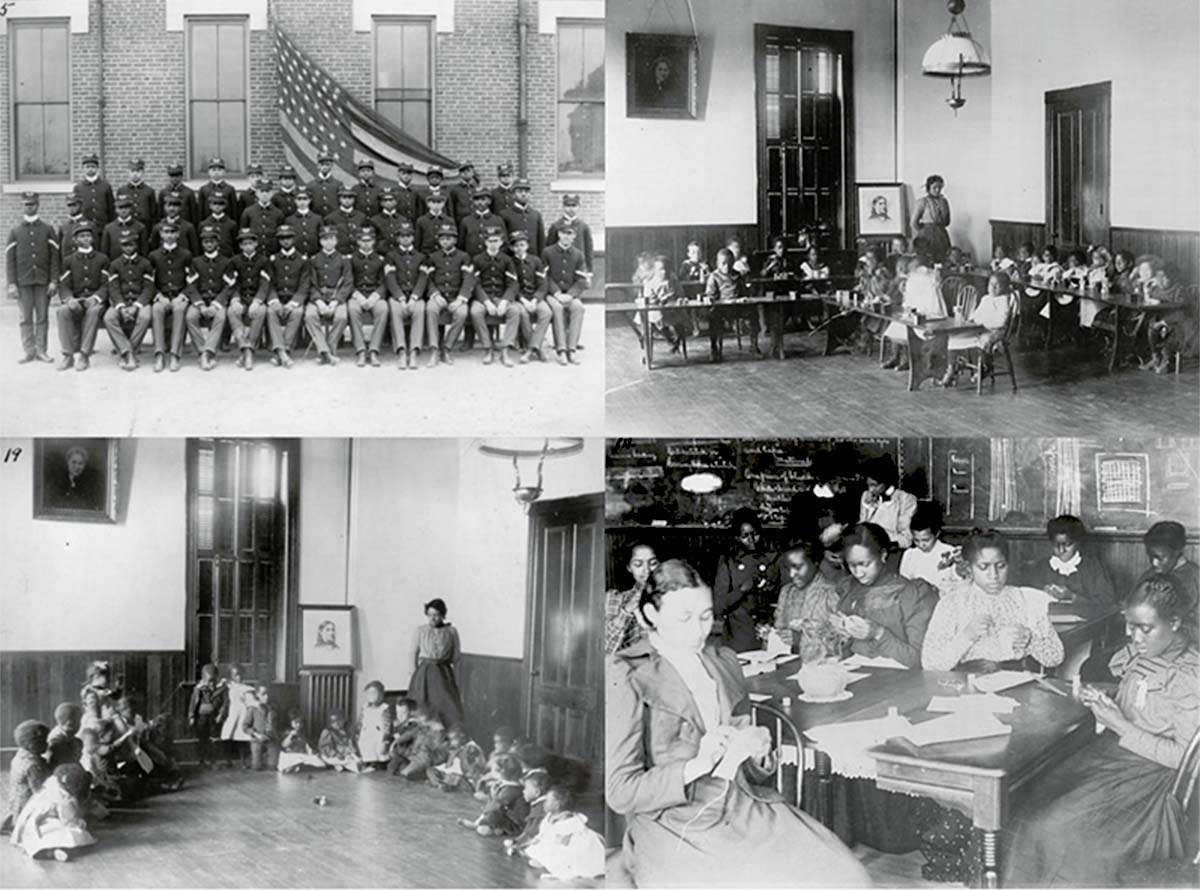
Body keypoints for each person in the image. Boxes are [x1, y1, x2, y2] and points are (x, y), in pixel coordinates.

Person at [607, 559, 870, 888]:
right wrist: (696, 765)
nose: (698, 630)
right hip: (674, 821)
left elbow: (751, 765)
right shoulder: (627, 674)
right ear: (650, 615)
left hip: (742, 804)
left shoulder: (724, 662)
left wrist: (759, 751)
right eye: (683, 618)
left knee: (847, 878)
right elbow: (620, 792)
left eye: (705, 616)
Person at [1003, 575, 1200, 886]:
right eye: (1129, 625)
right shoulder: (1147, 649)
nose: (1132, 636)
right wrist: (1103, 698)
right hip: (1111, 755)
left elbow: (1182, 758)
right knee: (1026, 806)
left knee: (1057, 830)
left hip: (1148, 779)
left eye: (1143, 628)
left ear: (1174, 622)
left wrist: (1119, 723)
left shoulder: (1188, 675)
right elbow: (1140, 698)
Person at [921, 529, 1065, 672]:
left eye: (1000, 566)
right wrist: (966, 636)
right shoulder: (952, 603)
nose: (994, 575)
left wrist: (1031, 640)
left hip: (1019, 682)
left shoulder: (1026, 599)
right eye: (983, 567)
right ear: (969, 568)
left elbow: (1056, 657)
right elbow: (930, 663)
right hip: (969, 685)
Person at [837, 522, 938, 668]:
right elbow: (844, 651)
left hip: (900, 678)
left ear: (883, 555)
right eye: (852, 565)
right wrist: (842, 636)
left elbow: (921, 661)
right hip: (855, 670)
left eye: (865, 564)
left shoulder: (913, 594)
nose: (858, 573)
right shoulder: (849, 589)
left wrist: (878, 633)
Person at [713, 508, 780, 652]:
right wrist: (743, 589)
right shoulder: (729, 562)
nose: (751, 540)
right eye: (745, 536)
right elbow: (719, 605)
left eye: (754, 534)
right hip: (739, 635)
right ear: (737, 537)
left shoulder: (773, 558)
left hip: (769, 632)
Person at [7, 191, 60, 364]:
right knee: (25, 318)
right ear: (22, 206)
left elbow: (54, 258)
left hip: (43, 281)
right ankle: (28, 351)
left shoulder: (47, 229)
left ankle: (41, 350)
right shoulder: (15, 231)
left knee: (43, 317)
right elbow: (10, 260)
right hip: (23, 282)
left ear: (38, 205)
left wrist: (53, 281)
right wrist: (12, 283)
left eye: (32, 204)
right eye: (26, 204)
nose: (29, 207)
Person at [1020, 514, 1117, 605]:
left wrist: (1072, 596)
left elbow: (1107, 603)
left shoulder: (1092, 567)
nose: (1061, 550)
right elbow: (1028, 600)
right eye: (1056, 545)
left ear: (1077, 542)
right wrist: (1042, 593)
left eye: (1067, 545)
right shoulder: (1041, 567)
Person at [939, 270, 1014, 387]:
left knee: (985, 341)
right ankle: (951, 369)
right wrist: (971, 320)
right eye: (990, 284)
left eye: (997, 285)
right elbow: (976, 314)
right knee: (954, 337)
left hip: (995, 331)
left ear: (1005, 287)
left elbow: (1000, 321)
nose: (993, 288)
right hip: (980, 328)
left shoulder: (1004, 300)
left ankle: (984, 368)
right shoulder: (986, 299)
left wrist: (981, 323)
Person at [10, 763, 96, 862]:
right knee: (75, 833)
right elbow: (67, 820)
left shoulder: (51, 785)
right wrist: (80, 822)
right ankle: (54, 850)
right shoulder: (63, 798)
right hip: (42, 822)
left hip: (32, 821)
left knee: (39, 837)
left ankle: (50, 852)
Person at [519, 786, 606, 880]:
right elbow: (543, 834)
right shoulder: (549, 817)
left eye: (547, 800)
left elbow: (570, 834)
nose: (543, 803)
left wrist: (560, 839)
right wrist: (528, 843)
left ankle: (562, 869)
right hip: (555, 842)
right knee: (537, 852)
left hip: (571, 843)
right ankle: (549, 862)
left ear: (557, 805)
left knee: (566, 856)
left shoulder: (569, 819)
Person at [773, 541, 843, 652]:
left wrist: (802, 639)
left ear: (815, 562)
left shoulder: (832, 592)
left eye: (797, 567)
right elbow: (779, 627)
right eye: (788, 568)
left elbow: (844, 639)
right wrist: (770, 636)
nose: (791, 574)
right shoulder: (787, 592)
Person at [407, 598, 465, 728]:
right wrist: (414, 674)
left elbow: (457, 657)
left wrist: (457, 681)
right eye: (430, 615)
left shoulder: (452, 632)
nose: (433, 618)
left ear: (443, 615)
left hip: (444, 673)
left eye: (436, 615)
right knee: (422, 706)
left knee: (447, 705)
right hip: (425, 674)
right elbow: (413, 653)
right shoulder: (420, 631)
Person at [423, 223, 473, 367]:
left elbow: (468, 279)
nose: (445, 241)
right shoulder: (432, 257)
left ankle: (447, 348)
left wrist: (460, 299)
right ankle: (434, 349)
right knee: (431, 309)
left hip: (456, 296)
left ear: (455, 240)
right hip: (438, 295)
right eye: (442, 239)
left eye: (449, 238)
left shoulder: (463, 257)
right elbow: (428, 279)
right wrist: (435, 294)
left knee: (462, 313)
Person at [470, 225, 520, 367]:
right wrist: (486, 302)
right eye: (490, 241)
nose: (493, 244)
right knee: (475, 312)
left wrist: (504, 301)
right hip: (483, 297)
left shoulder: (506, 260)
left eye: (496, 241)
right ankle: (488, 348)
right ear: (485, 242)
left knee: (514, 311)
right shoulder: (478, 259)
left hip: (500, 295)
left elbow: (513, 284)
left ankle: (505, 349)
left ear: (501, 242)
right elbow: (475, 284)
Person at [147, 220, 192, 373]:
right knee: (157, 310)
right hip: (162, 296)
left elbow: (192, 280)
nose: (169, 235)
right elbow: (148, 282)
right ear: (161, 234)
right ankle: (159, 353)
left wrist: (183, 295)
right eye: (166, 232)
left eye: (173, 232)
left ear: (178, 234)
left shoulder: (185, 254)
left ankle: (175, 354)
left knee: (179, 310)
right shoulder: (154, 255)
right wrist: (158, 295)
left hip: (179, 295)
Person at [185, 225, 231, 371]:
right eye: (205, 242)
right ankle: (202, 350)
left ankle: (208, 351)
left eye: (212, 241)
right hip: (201, 300)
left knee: (221, 317)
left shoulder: (226, 262)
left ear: (217, 242)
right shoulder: (196, 262)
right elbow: (191, 286)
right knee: (190, 316)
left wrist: (216, 304)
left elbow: (228, 287)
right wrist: (201, 305)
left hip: (217, 301)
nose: (209, 244)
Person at [305, 225, 353, 365]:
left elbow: (348, 283)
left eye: (331, 238)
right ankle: (326, 351)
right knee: (310, 315)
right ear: (320, 241)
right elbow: (310, 283)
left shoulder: (344, 259)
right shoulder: (313, 260)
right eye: (325, 239)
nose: (328, 242)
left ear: (336, 240)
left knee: (342, 317)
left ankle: (327, 350)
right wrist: (319, 301)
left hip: (336, 297)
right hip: (318, 297)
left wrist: (335, 301)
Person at [264, 224, 310, 369]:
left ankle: (282, 351)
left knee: (297, 312)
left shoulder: (302, 260)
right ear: (278, 241)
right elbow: (268, 283)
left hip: (294, 298)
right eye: (282, 238)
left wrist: (294, 302)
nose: (285, 241)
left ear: (294, 239)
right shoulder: (272, 259)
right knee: (271, 312)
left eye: (288, 238)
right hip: (278, 297)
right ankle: (283, 352)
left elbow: (304, 285)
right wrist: (274, 300)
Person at [384, 220, 427, 370]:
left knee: (420, 310)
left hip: (415, 296)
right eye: (402, 236)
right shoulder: (391, 256)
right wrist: (401, 298)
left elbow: (423, 278)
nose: (405, 239)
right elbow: (390, 279)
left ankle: (414, 351)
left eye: (408, 235)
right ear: (397, 238)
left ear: (413, 238)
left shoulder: (421, 257)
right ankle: (401, 350)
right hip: (398, 296)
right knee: (395, 310)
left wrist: (414, 297)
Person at [225, 229, 271, 370]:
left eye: (250, 243)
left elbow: (265, 283)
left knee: (261, 310)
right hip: (241, 298)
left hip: (255, 298)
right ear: (240, 246)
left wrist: (257, 301)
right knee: (232, 311)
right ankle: (246, 349)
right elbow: (232, 284)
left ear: (256, 244)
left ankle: (247, 350)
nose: (248, 246)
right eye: (244, 244)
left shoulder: (263, 260)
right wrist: (235, 299)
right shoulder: (234, 261)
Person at [542, 223, 588, 365]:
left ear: (574, 236)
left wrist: (571, 295)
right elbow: (544, 277)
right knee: (557, 308)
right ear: (558, 235)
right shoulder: (547, 252)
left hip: (569, 294)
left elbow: (581, 279)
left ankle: (572, 349)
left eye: (570, 234)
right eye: (563, 233)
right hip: (552, 294)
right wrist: (556, 293)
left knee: (578, 308)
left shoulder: (578, 254)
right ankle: (561, 350)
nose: (566, 236)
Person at [605, 543, 660, 655]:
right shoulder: (615, 598)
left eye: (653, 563)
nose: (647, 570)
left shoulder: (673, 597)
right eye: (638, 564)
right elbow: (606, 650)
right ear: (629, 567)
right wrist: (625, 612)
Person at [899, 501, 963, 594]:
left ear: (937, 534)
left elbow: (959, 584)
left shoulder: (950, 552)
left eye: (926, 540)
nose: (921, 545)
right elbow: (904, 583)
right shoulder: (910, 555)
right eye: (916, 540)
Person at [457, 753, 528, 836]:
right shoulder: (511, 785)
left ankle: (481, 826)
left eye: (492, 771)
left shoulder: (510, 790)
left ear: (501, 773)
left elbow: (494, 807)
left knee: (492, 814)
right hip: (509, 816)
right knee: (493, 811)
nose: (491, 773)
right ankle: (491, 827)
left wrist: (493, 797)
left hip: (517, 824)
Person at [704, 247, 755, 362]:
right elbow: (710, 294)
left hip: (737, 307)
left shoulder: (737, 274)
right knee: (712, 316)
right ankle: (714, 348)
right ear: (717, 263)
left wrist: (743, 298)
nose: (726, 267)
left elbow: (744, 292)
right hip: (722, 308)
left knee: (753, 312)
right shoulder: (714, 276)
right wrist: (710, 299)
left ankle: (754, 346)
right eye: (723, 264)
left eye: (729, 263)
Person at [1138, 521, 1199, 614]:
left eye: (1160, 558)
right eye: (1150, 556)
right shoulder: (1152, 572)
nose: (1154, 563)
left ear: (1177, 552)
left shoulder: (1189, 577)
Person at [510, 229, 552, 363]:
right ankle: (536, 349)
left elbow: (543, 284)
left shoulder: (536, 261)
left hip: (535, 297)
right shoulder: (510, 262)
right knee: (523, 314)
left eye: (522, 245)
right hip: (519, 299)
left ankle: (530, 349)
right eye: (516, 245)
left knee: (546, 312)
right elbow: (512, 286)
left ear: (527, 245)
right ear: (511, 247)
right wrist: (523, 300)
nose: (519, 248)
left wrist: (534, 300)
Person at [858, 455, 918, 550]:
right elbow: (862, 527)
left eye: (875, 485)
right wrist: (870, 507)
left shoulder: (906, 499)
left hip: (892, 548)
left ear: (886, 482)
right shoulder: (866, 496)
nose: (871, 490)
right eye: (868, 485)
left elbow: (907, 538)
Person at [2, 720, 51, 834]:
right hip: (27, 804)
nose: (47, 744)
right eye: (44, 741)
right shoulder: (33, 765)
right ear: (33, 745)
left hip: (15, 802)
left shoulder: (20, 754)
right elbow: (40, 791)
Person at [188, 663, 226, 770]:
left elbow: (225, 703)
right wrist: (191, 716)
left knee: (214, 739)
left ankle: (213, 761)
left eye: (213, 680)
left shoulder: (222, 688)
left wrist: (221, 714)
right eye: (208, 680)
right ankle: (202, 761)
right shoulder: (198, 689)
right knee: (202, 738)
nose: (211, 683)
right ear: (203, 679)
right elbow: (193, 703)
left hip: (214, 717)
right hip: (201, 717)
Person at [428, 724, 487, 792]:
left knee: (455, 778)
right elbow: (448, 766)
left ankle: (444, 784)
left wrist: (460, 754)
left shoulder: (471, 748)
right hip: (452, 774)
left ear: (462, 738)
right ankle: (440, 784)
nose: (451, 742)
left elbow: (471, 771)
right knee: (430, 770)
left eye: (453, 739)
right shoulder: (458, 747)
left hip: (464, 778)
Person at [44, 445, 103, 511]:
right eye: (73, 462)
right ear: (68, 463)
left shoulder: (90, 485)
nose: (77, 467)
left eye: (80, 463)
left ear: (84, 465)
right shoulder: (58, 482)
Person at [548, 194, 594, 273]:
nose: (571, 208)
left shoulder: (583, 226)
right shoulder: (556, 226)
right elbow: (549, 248)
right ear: (563, 207)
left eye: (574, 206)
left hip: (578, 266)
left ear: (578, 207)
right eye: (568, 206)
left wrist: (589, 270)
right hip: (560, 267)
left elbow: (588, 249)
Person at [910, 174, 952, 262]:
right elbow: (913, 223)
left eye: (940, 187)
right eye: (935, 187)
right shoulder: (922, 202)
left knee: (943, 258)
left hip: (941, 234)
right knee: (927, 258)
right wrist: (925, 229)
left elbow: (947, 221)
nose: (937, 190)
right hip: (926, 235)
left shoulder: (944, 202)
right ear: (928, 188)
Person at [218, 664, 252, 769]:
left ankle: (243, 761)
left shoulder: (247, 688)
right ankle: (228, 761)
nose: (239, 677)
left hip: (243, 713)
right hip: (232, 713)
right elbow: (220, 690)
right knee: (227, 735)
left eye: (240, 675)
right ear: (231, 676)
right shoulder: (229, 686)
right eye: (236, 675)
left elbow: (250, 702)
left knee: (242, 737)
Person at [500, 178, 544, 257]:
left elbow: (541, 242)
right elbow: (504, 242)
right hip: (513, 260)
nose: (523, 194)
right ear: (513, 195)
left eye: (526, 192)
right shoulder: (505, 215)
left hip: (533, 261)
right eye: (519, 191)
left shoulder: (536, 215)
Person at [460, 188, 507, 260]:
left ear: (489, 201)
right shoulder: (466, 221)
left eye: (483, 199)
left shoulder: (498, 220)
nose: (480, 202)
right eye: (477, 200)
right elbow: (461, 245)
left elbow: (504, 244)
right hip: (472, 261)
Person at [357, 680, 393, 770]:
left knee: (376, 753)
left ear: (380, 694)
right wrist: (357, 734)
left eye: (374, 693)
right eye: (369, 693)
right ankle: (367, 764)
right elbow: (360, 722)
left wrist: (385, 742)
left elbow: (387, 727)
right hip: (366, 735)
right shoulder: (365, 707)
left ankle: (375, 765)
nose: (371, 695)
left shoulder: (384, 708)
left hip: (377, 736)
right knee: (365, 751)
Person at [241, 684, 277, 771]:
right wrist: (256, 734)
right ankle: (252, 758)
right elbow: (245, 726)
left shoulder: (274, 708)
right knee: (256, 767)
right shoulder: (253, 709)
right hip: (257, 740)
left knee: (273, 767)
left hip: (271, 740)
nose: (267, 697)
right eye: (263, 694)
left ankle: (267, 757)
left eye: (268, 694)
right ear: (257, 695)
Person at [73, 153, 115, 226]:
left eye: (93, 166)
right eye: (87, 167)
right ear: (83, 168)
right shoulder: (78, 188)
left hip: (103, 226)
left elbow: (111, 209)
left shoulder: (106, 186)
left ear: (97, 168)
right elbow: (76, 210)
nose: (90, 169)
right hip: (85, 227)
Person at [324, 186, 367, 256]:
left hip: (358, 255)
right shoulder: (330, 218)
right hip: (339, 255)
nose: (347, 200)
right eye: (344, 197)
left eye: (350, 197)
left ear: (354, 199)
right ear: (339, 199)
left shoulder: (361, 217)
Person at [284, 186, 322, 259]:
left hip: (314, 256)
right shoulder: (289, 220)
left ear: (310, 200)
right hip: (296, 258)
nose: (302, 202)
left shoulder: (317, 218)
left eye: (305, 199)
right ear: (295, 200)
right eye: (299, 199)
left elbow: (321, 238)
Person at [198, 157, 240, 223]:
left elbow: (234, 211)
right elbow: (200, 212)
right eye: (213, 170)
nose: (216, 172)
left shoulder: (230, 189)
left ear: (224, 172)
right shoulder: (204, 189)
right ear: (209, 172)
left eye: (219, 170)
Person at [159, 164, 199, 230]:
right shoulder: (163, 193)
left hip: (184, 228)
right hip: (168, 228)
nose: (174, 178)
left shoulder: (189, 192)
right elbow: (160, 214)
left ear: (181, 176)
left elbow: (193, 215)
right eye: (172, 176)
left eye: (177, 175)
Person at [198, 191, 237, 258]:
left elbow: (235, 246)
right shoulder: (204, 224)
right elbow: (200, 247)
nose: (217, 206)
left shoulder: (231, 224)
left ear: (225, 206)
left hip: (227, 259)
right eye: (214, 203)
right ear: (210, 205)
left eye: (220, 204)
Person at [46, 703, 83, 771]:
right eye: (79, 721)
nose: (81, 725)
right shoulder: (57, 743)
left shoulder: (69, 736)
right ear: (70, 724)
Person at [307, 151, 343, 219]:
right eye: (322, 164)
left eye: (327, 164)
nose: (324, 167)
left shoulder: (338, 184)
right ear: (317, 165)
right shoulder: (310, 185)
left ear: (332, 165)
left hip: (334, 219)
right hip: (316, 219)